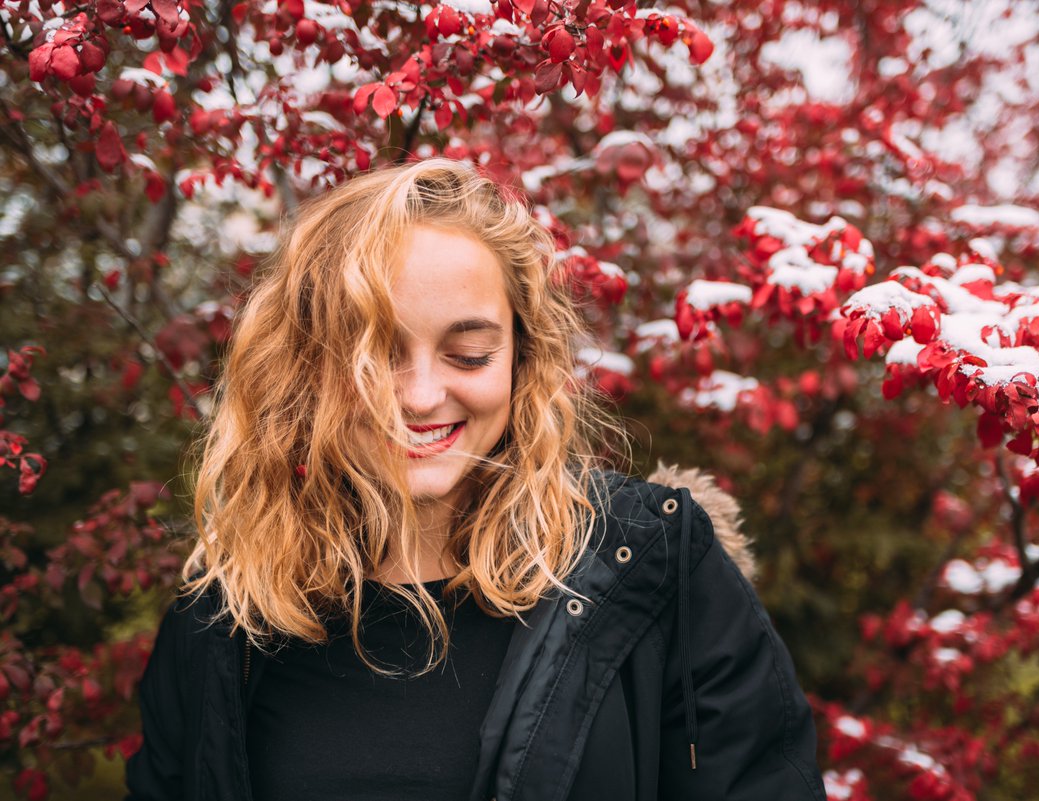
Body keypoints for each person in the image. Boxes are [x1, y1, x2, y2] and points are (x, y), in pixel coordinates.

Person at [125, 159, 826, 801]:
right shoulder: (227, 619)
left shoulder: (655, 573)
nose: (422, 395)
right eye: (379, 355)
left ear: (522, 356)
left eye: (467, 353)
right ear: (309, 366)